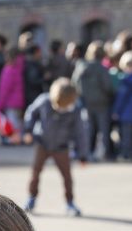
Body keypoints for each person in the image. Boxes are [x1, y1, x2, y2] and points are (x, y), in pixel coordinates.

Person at [23, 78, 90, 216]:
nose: (60, 109)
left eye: (63, 108)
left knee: (67, 176)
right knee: (35, 172)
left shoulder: (75, 110)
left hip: (61, 146)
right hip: (43, 142)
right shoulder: (44, 100)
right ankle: (31, 198)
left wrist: (82, 154)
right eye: (57, 106)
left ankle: (70, 202)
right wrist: (28, 130)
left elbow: (80, 133)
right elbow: (31, 113)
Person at [72, 41, 115, 160]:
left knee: (89, 129)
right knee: (104, 130)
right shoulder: (102, 69)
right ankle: (106, 153)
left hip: (86, 103)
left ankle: (88, 152)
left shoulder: (81, 67)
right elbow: (108, 86)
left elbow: (75, 84)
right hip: (102, 103)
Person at [0, 48, 26, 143]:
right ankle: (18, 138)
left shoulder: (8, 69)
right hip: (19, 100)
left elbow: (4, 89)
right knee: (17, 121)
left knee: (11, 122)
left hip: (10, 101)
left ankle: (13, 139)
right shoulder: (20, 68)